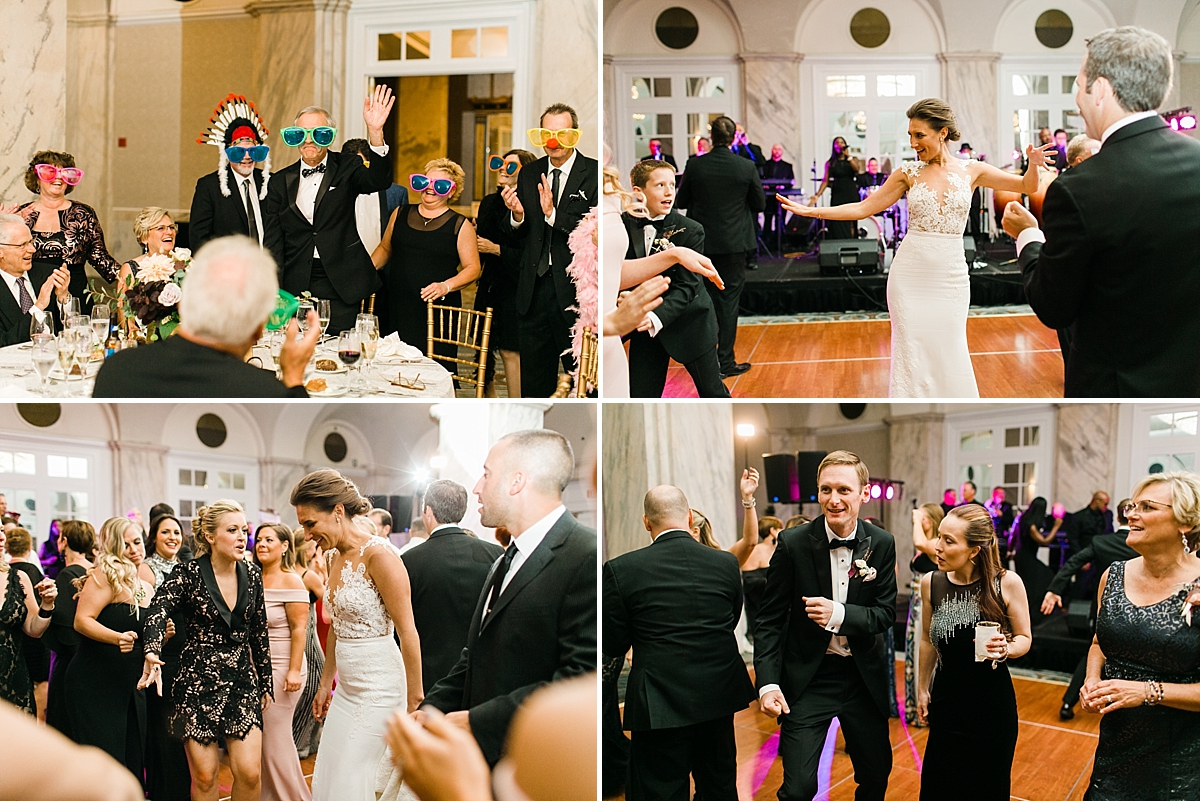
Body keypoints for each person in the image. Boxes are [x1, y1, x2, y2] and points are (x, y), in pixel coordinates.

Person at [782, 99, 1055, 398]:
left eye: (919, 135)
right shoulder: (907, 173)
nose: (913, 143)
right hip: (910, 277)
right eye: (910, 135)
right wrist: (811, 212)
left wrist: (1032, 165)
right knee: (911, 351)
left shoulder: (972, 170)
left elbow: (1027, 186)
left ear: (942, 132)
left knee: (950, 347)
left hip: (951, 278)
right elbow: (863, 208)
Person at [1004, 28, 1200, 396]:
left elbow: (1053, 306)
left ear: (1101, 90)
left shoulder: (1078, 188)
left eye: (1079, 85)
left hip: (1115, 392)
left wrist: (1028, 235)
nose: (1077, 98)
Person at [421, 429, 596, 765]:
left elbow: (578, 681)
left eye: (486, 474)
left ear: (517, 482)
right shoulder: (505, 558)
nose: (477, 487)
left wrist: (478, 721)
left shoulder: (584, 555)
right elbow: (477, 653)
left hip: (537, 761)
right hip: (487, 761)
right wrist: (432, 707)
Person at [753, 451, 897, 800]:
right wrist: (768, 683)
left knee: (875, 776)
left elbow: (885, 613)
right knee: (798, 789)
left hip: (862, 677)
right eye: (826, 489)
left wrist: (840, 614)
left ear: (864, 493)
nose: (834, 500)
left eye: (844, 490)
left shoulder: (882, 543)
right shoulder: (793, 543)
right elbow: (769, 619)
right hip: (809, 677)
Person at [604, 485, 756, 800]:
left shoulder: (621, 569)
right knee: (718, 786)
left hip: (659, 701)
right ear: (688, 517)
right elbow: (730, 620)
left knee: (659, 791)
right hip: (717, 693)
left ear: (646, 522)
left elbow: (613, 643)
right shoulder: (725, 563)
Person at [290, 470, 422, 801]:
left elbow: (408, 631)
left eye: (310, 524)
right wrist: (325, 683)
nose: (307, 535)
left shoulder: (380, 555)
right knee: (331, 770)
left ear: (337, 511)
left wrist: (415, 702)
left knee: (352, 776)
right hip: (346, 691)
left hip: (380, 689)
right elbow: (338, 625)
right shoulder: (332, 556)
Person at [138, 500, 273, 801]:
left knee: (250, 774)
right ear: (210, 536)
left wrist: (265, 681)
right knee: (205, 776)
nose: (242, 537)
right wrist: (151, 650)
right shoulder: (187, 573)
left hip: (241, 681)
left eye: (244, 530)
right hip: (197, 682)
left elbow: (259, 631)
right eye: (232, 530)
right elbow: (157, 610)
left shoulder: (252, 574)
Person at [1080, 474, 1200, 800]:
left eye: (1147, 507)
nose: (1131, 514)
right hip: (1114, 752)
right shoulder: (1113, 575)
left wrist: (1146, 691)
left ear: (1185, 523)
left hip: (1179, 762)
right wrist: (1092, 680)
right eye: (1132, 506)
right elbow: (1098, 643)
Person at [94, 235, 320, 397]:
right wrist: (293, 378)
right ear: (258, 330)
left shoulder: (116, 371)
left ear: (182, 305)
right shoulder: (266, 392)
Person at [916, 504, 1031, 801]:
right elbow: (927, 640)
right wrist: (922, 688)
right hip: (946, 702)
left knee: (986, 790)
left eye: (948, 541)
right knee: (939, 788)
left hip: (991, 708)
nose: (937, 547)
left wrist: (1007, 648)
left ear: (974, 551)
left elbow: (1024, 638)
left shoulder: (1006, 583)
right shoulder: (931, 583)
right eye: (939, 537)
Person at [262, 86, 396, 335]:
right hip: (296, 279)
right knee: (297, 345)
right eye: (301, 133)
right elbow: (273, 240)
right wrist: (274, 288)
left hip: (341, 280)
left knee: (338, 346)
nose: (309, 140)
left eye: (319, 133)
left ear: (330, 136)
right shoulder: (279, 181)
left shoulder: (347, 166)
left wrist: (376, 133)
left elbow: (379, 181)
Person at [502, 103, 599, 397]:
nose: (553, 141)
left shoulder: (594, 173)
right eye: (547, 133)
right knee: (534, 384)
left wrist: (553, 215)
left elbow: (595, 232)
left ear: (575, 134)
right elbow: (516, 235)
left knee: (583, 382)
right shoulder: (530, 172)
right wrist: (517, 215)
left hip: (574, 293)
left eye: (561, 133)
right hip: (533, 291)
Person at [387, 673, 596, 801]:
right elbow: (471, 659)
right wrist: (431, 710)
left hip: (528, 746)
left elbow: (578, 671)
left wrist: (476, 721)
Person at [622, 160, 726, 398]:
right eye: (660, 185)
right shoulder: (622, 225)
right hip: (643, 329)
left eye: (672, 184)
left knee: (713, 393)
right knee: (641, 396)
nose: (669, 192)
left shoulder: (691, 230)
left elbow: (687, 287)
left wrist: (654, 317)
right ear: (638, 191)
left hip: (690, 324)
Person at [674, 115, 764, 380]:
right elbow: (759, 204)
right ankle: (725, 361)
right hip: (734, 243)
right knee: (729, 303)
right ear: (734, 137)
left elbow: (682, 201)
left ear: (711, 137)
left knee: (703, 301)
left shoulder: (695, 165)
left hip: (701, 244)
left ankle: (706, 364)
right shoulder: (745, 166)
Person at [371, 157, 482, 369]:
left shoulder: (460, 224)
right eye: (425, 182)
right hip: (398, 303)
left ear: (451, 191)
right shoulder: (400, 213)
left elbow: (473, 268)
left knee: (434, 367)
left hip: (436, 308)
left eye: (439, 185)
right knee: (393, 363)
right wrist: (364, 272)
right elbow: (385, 249)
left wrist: (445, 286)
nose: (430, 188)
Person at [65, 517, 151, 784]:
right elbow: (82, 620)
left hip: (130, 686)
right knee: (104, 766)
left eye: (137, 542)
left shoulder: (146, 587)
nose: (134, 549)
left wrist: (164, 634)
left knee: (131, 762)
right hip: (96, 683)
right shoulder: (104, 575)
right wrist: (116, 638)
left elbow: (140, 634)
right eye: (126, 545)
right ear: (113, 546)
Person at [401, 479, 503, 694]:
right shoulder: (495, 554)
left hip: (428, 675)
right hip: (481, 672)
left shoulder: (409, 560)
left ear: (428, 511)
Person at [1042, 499, 1137, 721]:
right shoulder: (1143, 544)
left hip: (1103, 611)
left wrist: (1055, 589)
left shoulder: (1101, 542)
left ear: (1117, 517)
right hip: (1137, 611)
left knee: (1092, 654)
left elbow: (1072, 563)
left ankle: (1068, 702)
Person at [254, 523, 312, 801]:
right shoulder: (254, 578)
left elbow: (300, 629)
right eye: (259, 540)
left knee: (275, 740)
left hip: (283, 668)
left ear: (285, 545)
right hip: (256, 668)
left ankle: (294, 797)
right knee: (264, 742)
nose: (262, 544)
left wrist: (293, 671)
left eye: (269, 540)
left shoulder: (292, 581)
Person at [15, 151, 118, 307]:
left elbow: (99, 256)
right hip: (31, 293)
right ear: (37, 178)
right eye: (50, 172)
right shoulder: (22, 215)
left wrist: (133, 276)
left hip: (75, 291)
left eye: (65, 173)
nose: (58, 177)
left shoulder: (83, 213)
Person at [475, 148, 535, 396]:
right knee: (482, 347)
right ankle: (488, 400)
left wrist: (497, 249)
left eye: (510, 165)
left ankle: (515, 401)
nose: (502, 168)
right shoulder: (489, 202)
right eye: (500, 163)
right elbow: (480, 242)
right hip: (490, 283)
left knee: (510, 349)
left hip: (515, 285)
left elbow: (531, 254)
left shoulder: (531, 204)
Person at [141, 513, 190, 801]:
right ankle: (166, 792)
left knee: (181, 728)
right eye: (166, 532)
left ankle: (181, 789)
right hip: (164, 656)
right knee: (164, 726)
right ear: (154, 537)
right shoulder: (147, 569)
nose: (172, 537)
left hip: (186, 655)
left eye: (176, 532)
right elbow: (147, 618)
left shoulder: (184, 567)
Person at [190, 94, 272, 251]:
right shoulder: (209, 187)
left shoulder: (270, 183)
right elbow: (199, 239)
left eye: (253, 151)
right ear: (227, 154)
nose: (247, 157)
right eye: (238, 152)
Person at [43, 520, 94, 737]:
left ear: (63, 542)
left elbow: (65, 627)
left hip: (71, 664)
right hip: (94, 660)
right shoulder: (95, 572)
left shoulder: (67, 576)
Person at [0, 525, 57, 715]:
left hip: (14, 686)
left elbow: (34, 629)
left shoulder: (18, 578)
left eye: (2, 530)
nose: (2, 537)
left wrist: (47, 604)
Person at [0, 212, 70, 344]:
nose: (32, 249)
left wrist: (63, 298)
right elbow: (4, 342)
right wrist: (38, 307)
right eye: (22, 245)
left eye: (31, 242)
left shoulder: (49, 273)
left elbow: (72, 329)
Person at [905, 502, 944, 726]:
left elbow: (919, 542)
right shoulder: (927, 545)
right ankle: (914, 708)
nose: (921, 521)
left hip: (927, 603)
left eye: (925, 518)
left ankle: (927, 710)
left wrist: (916, 519)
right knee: (913, 650)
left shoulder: (936, 544)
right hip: (916, 602)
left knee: (925, 650)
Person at [290, 530, 327, 759]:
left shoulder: (286, 573)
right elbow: (331, 601)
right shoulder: (307, 575)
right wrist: (325, 572)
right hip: (308, 638)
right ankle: (301, 743)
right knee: (314, 688)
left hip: (292, 639)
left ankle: (302, 742)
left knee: (304, 692)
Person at [116, 206, 181, 325]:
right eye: (161, 228)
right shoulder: (130, 269)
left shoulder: (186, 264)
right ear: (144, 237)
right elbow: (124, 318)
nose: (169, 232)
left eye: (171, 227)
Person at [809, 137, 862, 240]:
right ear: (834, 146)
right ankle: (839, 243)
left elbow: (856, 169)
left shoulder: (852, 159)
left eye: (842, 142)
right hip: (838, 193)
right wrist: (817, 195)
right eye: (837, 143)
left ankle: (852, 243)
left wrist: (848, 156)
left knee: (851, 220)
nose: (840, 144)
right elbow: (825, 181)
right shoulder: (830, 163)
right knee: (837, 220)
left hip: (850, 193)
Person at [741, 514, 780, 644]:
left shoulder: (778, 549)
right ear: (772, 530)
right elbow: (749, 581)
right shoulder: (756, 550)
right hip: (761, 605)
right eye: (779, 528)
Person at [761, 144, 795, 240]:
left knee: (780, 221)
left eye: (779, 149)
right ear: (772, 150)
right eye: (775, 149)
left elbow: (791, 181)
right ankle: (767, 241)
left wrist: (783, 186)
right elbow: (761, 178)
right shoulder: (765, 165)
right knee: (767, 220)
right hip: (768, 198)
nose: (777, 151)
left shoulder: (787, 166)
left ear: (782, 152)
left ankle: (780, 241)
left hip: (781, 198)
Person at [1070, 490, 1113, 555]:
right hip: (1085, 552)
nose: (1106, 507)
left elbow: (1110, 533)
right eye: (1105, 504)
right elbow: (1073, 540)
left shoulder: (1108, 514)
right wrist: (1081, 557)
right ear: (1097, 501)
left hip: (1103, 553)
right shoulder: (1079, 517)